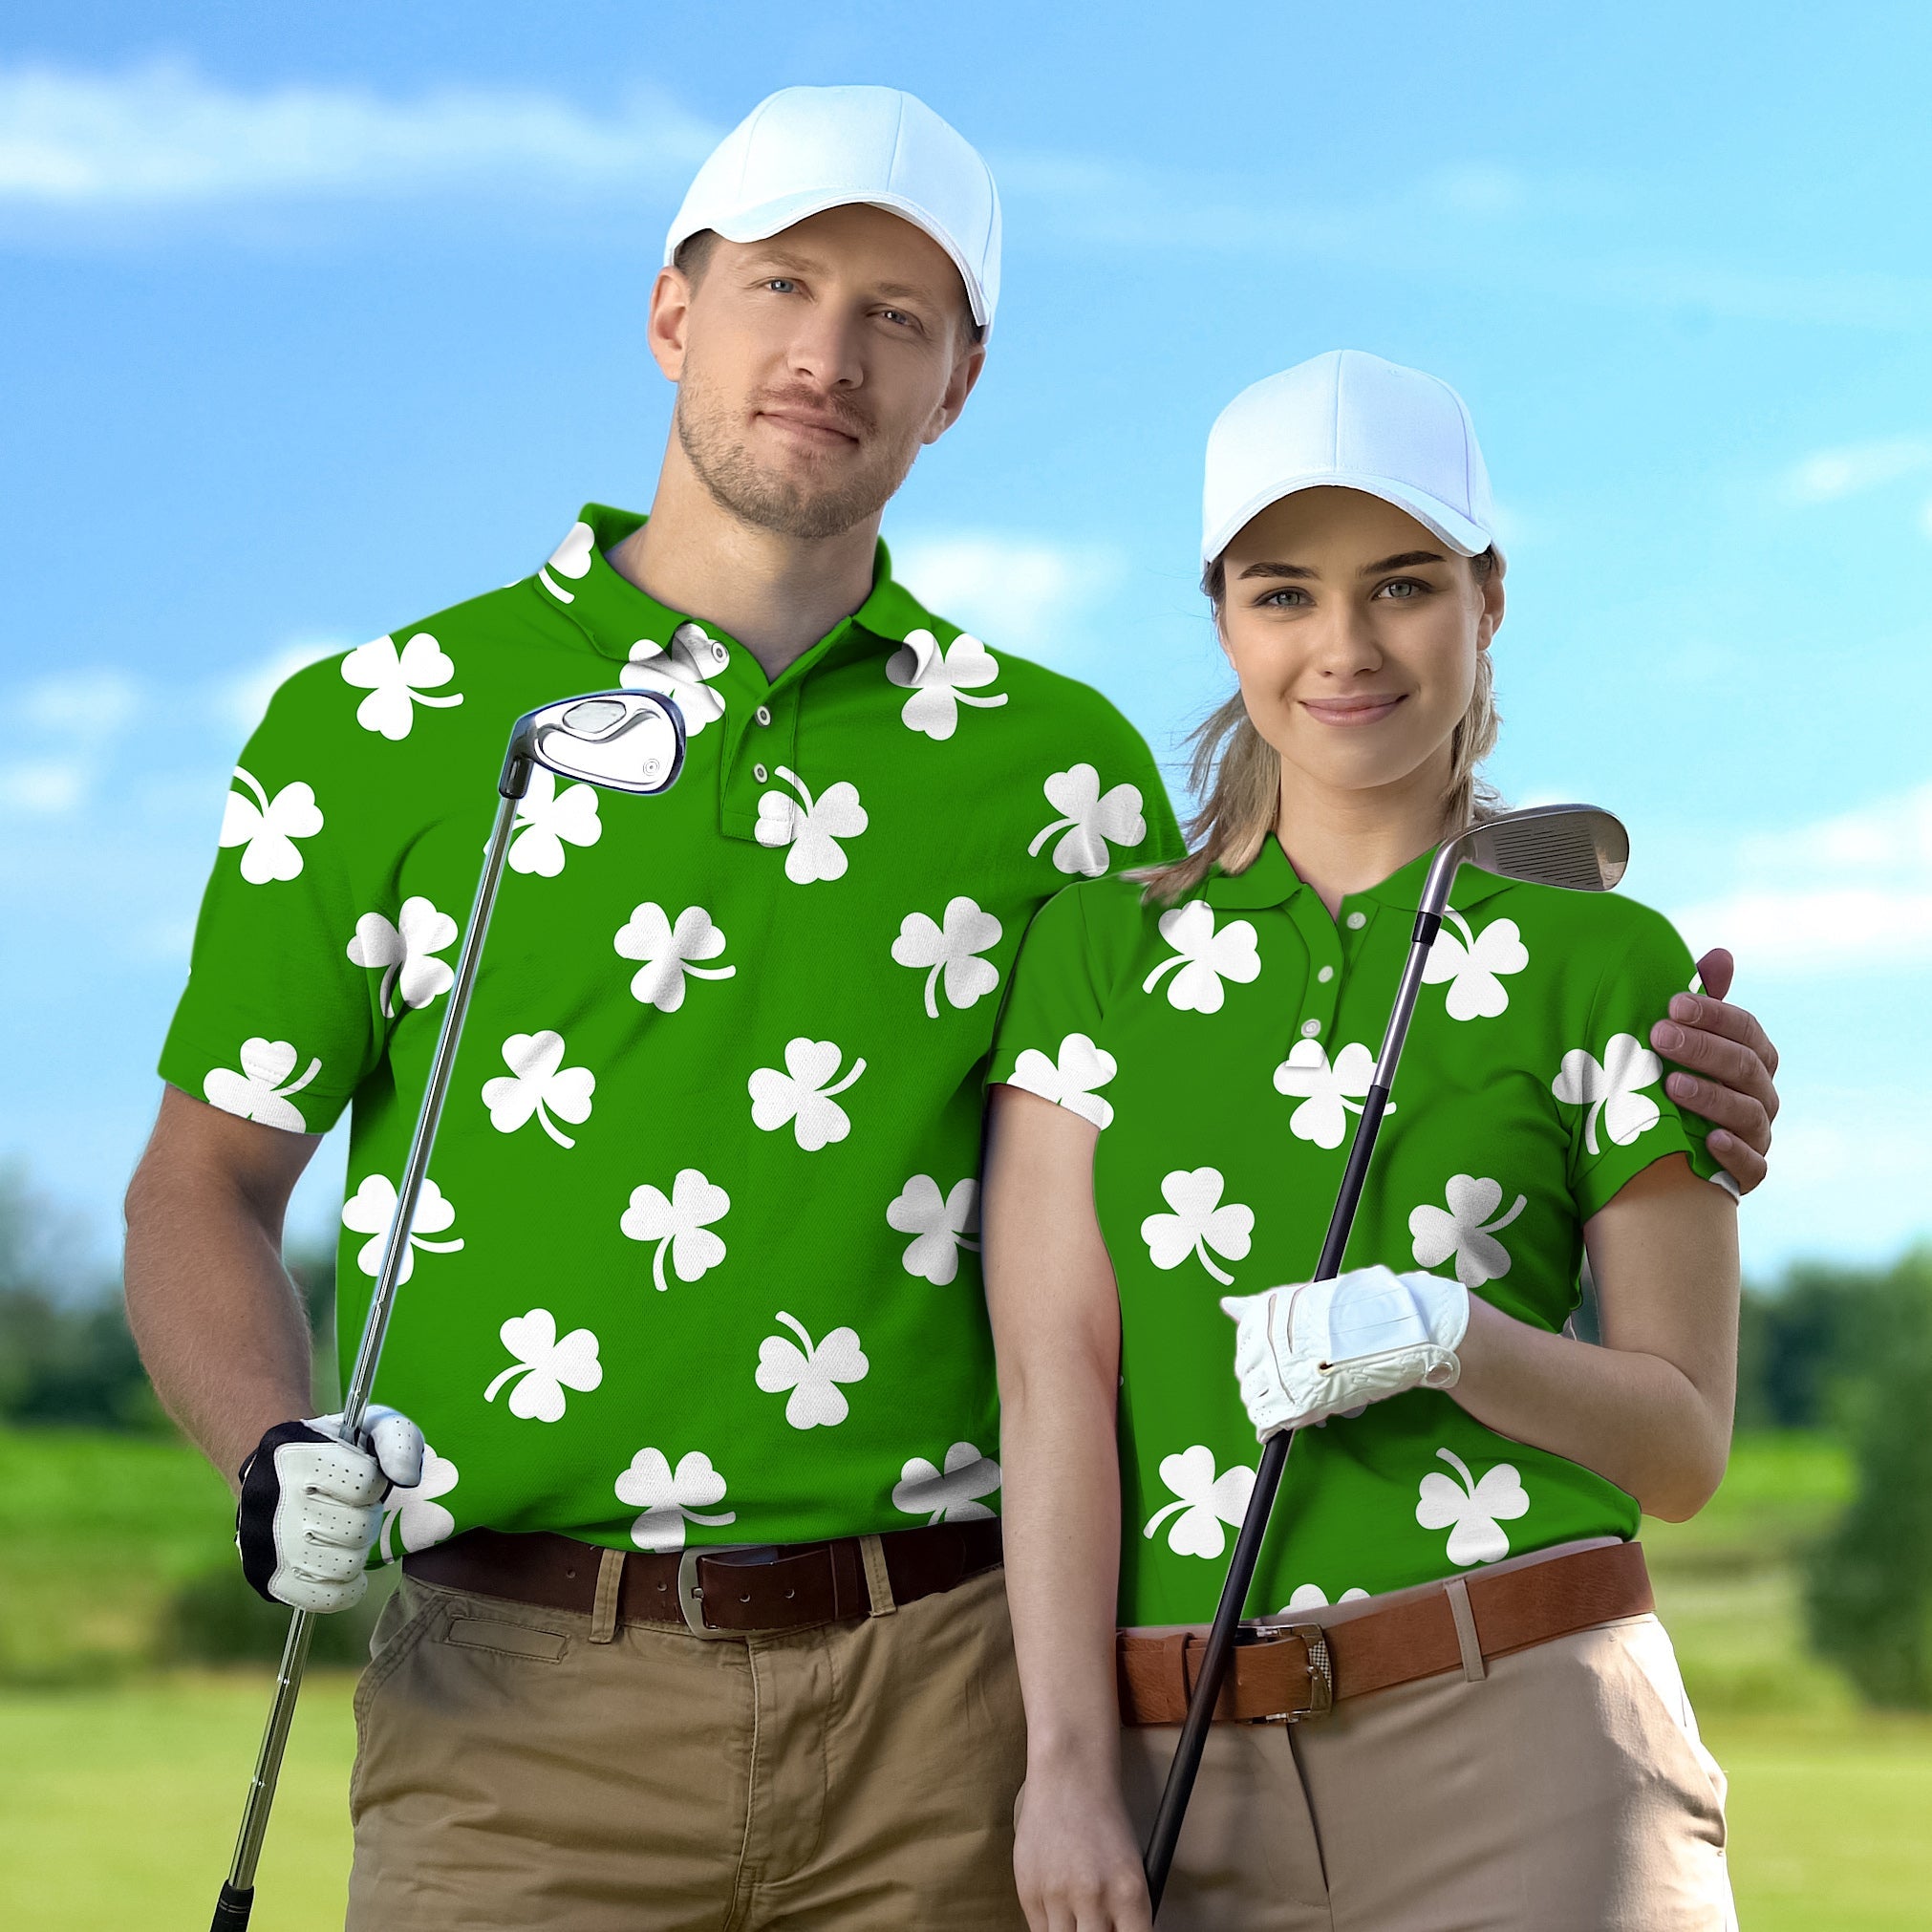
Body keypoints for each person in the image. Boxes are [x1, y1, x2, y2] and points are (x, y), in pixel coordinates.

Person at [118, 80, 1776, 1927]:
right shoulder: (380, 725)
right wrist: (267, 1446)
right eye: (780, 285)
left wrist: (1637, 1039)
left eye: (894, 316)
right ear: (671, 310)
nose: (827, 355)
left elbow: (1278, 993)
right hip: (512, 1703)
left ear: (959, 381)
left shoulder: (1059, 773)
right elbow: (201, 1186)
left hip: (946, 1700)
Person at [984, 351, 1752, 1930]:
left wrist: (1446, 1335)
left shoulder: (1607, 960)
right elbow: (1052, 1381)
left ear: (1486, 599)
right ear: (1221, 619)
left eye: (1401, 584)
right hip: (1182, 1765)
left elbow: (1678, 1450)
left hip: (1531, 1732)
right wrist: (1061, 1764)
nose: (1343, 646)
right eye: (1283, 594)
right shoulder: (1094, 955)